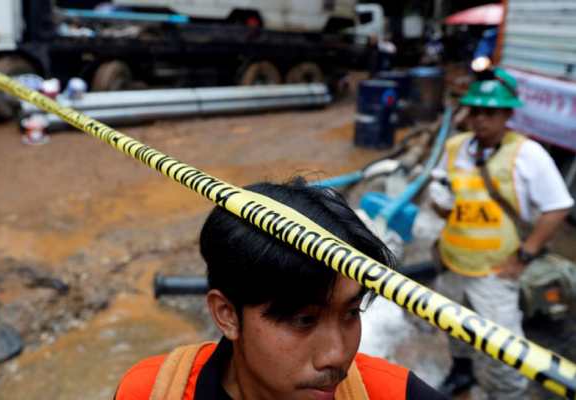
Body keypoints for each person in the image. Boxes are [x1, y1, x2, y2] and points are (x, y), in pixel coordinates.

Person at [115, 178, 447, 399]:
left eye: (351, 312)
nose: (336, 356)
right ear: (227, 314)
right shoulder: (150, 392)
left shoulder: (394, 394)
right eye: (304, 320)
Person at [430, 68, 574, 399]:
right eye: (476, 111)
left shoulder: (528, 154)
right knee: (454, 326)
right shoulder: (455, 147)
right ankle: (461, 371)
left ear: (508, 114)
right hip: (453, 262)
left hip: (495, 272)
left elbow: (557, 206)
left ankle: (508, 393)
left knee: (503, 349)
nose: (480, 120)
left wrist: (525, 254)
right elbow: (443, 192)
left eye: (490, 112)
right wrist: (440, 202)